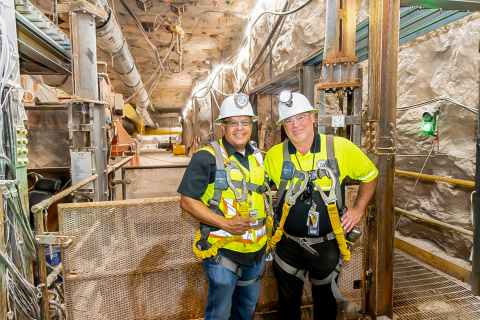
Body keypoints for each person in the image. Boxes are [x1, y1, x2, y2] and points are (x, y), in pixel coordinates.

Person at [264, 91, 378, 320]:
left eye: (301, 117)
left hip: (327, 246)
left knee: (326, 303)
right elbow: (259, 192)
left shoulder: (340, 148)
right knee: (287, 304)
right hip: (287, 246)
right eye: (289, 120)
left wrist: (358, 209)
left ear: (313, 118)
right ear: (283, 127)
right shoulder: (274, 156)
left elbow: (371, 175)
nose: (296, 125)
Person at [178, 93, 268, 320]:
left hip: (256, 254)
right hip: (223, 256)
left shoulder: (257, 156)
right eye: (233, 122)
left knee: (246, 312)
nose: (240, 128)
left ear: (251, 124)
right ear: (223, 126)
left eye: (245, 121)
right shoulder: (207, 157)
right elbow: (187, 201)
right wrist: (225, 223)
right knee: (219, 314)